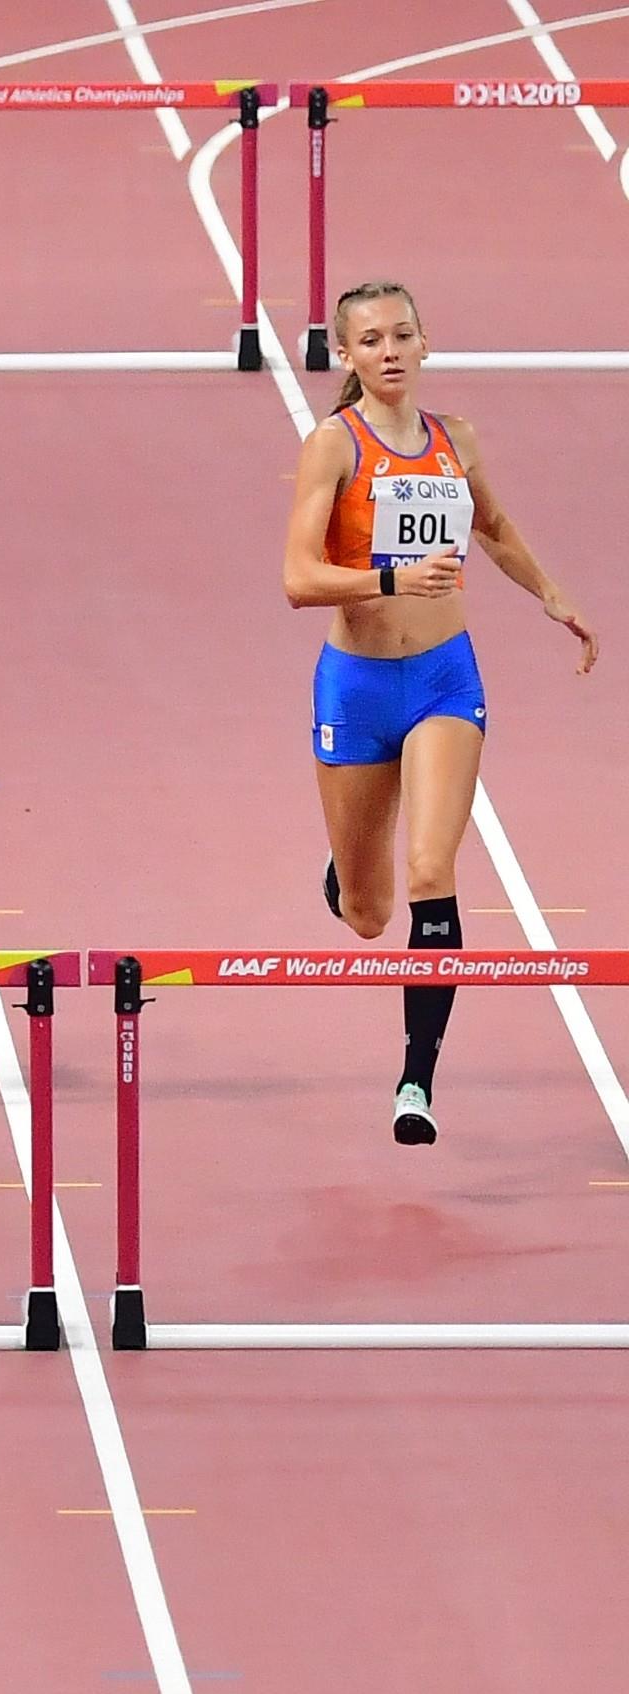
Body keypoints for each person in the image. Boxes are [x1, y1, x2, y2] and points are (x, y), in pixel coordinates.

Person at [282, 281, 595, 1145]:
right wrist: (386, 579)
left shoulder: (456, 439)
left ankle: (416, 1079)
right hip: (357, 685)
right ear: (346, 355)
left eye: (403, 335)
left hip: (446, 680)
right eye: (371, 339)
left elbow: (490, 524)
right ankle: (344, 870)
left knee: (432, 871)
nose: (389, 350)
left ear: (426, 344)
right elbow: (298, 580)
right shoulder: (332, 448)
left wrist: (550, 592)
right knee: (369, 911)